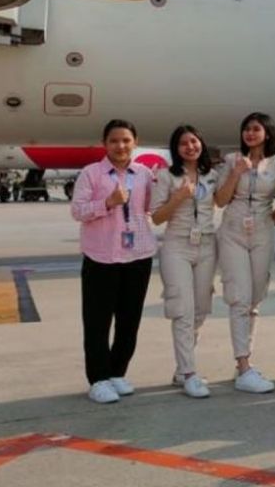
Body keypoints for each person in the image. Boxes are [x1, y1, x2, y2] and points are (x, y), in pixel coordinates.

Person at [70, 119, 157, 404]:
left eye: (126, 140)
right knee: (97, 322)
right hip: (102, 258)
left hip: (138, 256)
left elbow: (150, 210)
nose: (120, 146)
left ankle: (118, 372)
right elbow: (78, 211)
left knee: (129, 320)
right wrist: (107, 203)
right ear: (105, 144)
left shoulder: (143, 174)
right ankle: (98, 378)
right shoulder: (92, 173)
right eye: (114, 141)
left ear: (135, 142)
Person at [215, 111, 275, 394]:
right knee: (239, 298)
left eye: (256, 129)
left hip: (262, 229)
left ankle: (245, 362)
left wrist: (274, 214)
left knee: (255, 298)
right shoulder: (233, 160)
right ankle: (244, 364)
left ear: (266, 134)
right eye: (246, 129)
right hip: (233, 228)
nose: (250, 133)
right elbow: (220, 199)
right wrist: (235, 173)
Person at [150, 125, 219, 399]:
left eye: (194, 141)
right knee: (183, 309)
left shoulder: (211, 175)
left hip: (205, 244)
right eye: (183, 144)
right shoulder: (166, 177)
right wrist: (178, 198)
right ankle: (189, 373)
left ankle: (182, 368)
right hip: (177, 246)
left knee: (201, 308)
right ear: (176, 150)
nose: (190, 147)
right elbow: (156, 217)